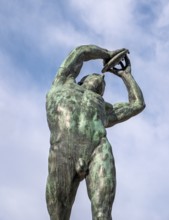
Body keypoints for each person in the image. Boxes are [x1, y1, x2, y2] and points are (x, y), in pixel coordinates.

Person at [45, 45, 145, 220]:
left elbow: (137, 104)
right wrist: (107, 54)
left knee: (102, 214)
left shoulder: (104, 108)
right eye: (96, 77)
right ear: (82, 79)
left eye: (104, 86)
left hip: (97, 150)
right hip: (63, 153)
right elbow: (80, 53)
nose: (102, 79)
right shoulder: (62, 84)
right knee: (58, 215)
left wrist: (126, 76)